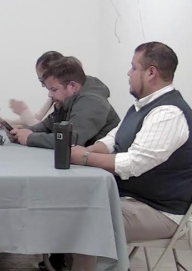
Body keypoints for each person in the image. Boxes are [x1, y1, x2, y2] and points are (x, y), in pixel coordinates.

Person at [70, 42, 192, 271]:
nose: (128, 73)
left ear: (151, 72)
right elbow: (113, 138)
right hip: (133, 199)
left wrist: (83, 157)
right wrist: (88, 150)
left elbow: (133, 163)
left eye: (134, 67)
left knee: (86, 220)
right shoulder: (141, 107)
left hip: (159, 211)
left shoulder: (168, 113)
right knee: (72, 203)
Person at [0, 56, 120, 149]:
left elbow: (71, 140)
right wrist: (20, 132)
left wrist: (30, 138)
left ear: (72, 86)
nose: (49, 95)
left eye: (53, 89)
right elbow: (46, 126)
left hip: (105, 172)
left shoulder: (92, 102)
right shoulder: (67, 99)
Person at [5, 51, 63, 127]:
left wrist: (24, 111)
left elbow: (44, 129)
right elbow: (38, 118)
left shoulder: (63, 99)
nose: (42, 85)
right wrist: (3, 122)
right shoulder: (53, 97)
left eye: (43, 80)